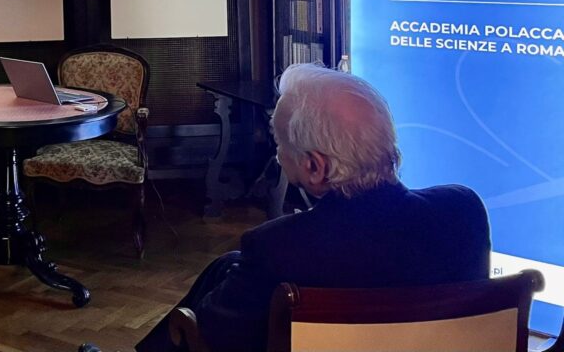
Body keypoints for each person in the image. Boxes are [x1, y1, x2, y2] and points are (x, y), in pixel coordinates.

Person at [130, 63, 491, 352]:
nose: (278, 155)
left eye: (279, 144)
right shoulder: (464, 211)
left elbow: (212, 337)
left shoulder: (278, 247)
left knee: (198, 312)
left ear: (315, 167)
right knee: (226, 267)